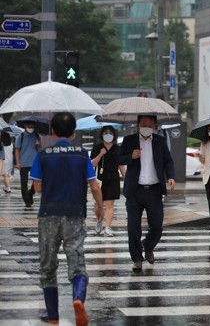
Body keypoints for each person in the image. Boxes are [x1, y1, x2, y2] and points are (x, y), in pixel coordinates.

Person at [29, 112, 105, 326]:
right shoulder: (81, 155)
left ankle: (53, 315)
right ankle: (78, 299)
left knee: (48, 265)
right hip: (74, 214)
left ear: (52, 132)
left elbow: (37, 188)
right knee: (77, 263)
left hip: (48, 215)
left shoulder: (43, 154)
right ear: (73, 132)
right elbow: (95, 185)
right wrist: (100, 208)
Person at [119, 115, 176, 271]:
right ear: (137, 124)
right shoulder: (129, 140)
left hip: (154, 190)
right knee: (133, 228)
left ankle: (148, 246)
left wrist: (170, 176)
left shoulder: (160, 141)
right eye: (143, 124)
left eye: (149, 124)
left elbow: (168, 161)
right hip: (134, 191)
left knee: (157, 227)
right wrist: (131, 156)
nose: (146, 127)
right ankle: (137, 259)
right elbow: (119, 158)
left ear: (154, 125)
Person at [91, 126, 126, 237]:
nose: (108, 135)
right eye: (106, 133)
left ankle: (107, 227)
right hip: (99, 180)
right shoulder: (97, 147)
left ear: (114, 135)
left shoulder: (117, 149)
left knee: (110, 204)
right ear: (102, 134)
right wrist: (100, 154)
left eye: (110, 133)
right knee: (98, 205)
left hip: (113, 179)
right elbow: (92, 164)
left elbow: (121, 165)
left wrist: (127, 179)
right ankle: (99, 221)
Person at [15, 121, 41, 207]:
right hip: (23, 163)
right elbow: (17, 150)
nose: (31, 127)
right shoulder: (20, 136)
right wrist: (18, 162)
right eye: (29, 125)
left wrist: (38, 145)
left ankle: (30, 193)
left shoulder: (37, 136)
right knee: (24, 182)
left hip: (34, 162)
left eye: (32, 125)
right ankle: (27, 200)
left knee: (37, 180)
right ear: (25, 125)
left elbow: (39, 150)